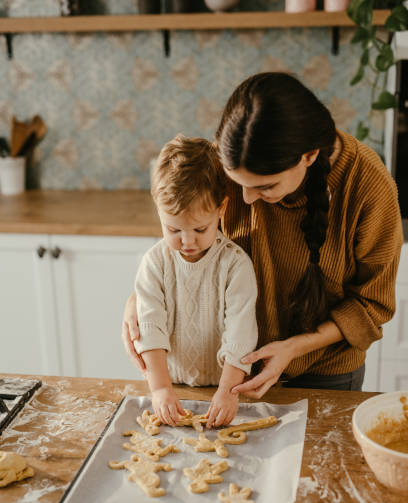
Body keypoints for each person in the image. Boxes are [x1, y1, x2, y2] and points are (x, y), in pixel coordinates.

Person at [122, 72, 403, 398]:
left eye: (265, 187)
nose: (246, 200)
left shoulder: (369, 187)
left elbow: (372, 304)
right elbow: (185, 244)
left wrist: (294, 348)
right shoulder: (223, 164)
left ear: (309, 156)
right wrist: (137, 301)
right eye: (236, 182)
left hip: (323, 372)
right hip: (233, 365)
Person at [132, 134, 258, 427]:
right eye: (173, 229)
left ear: (221, 209)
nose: (187, 241)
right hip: (171, 386)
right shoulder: (154, 263)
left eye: (200, 229)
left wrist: (227, 391)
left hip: (224, 387)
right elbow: (150, 328)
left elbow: (240, 335)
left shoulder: (235, 265)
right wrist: (161, 389)